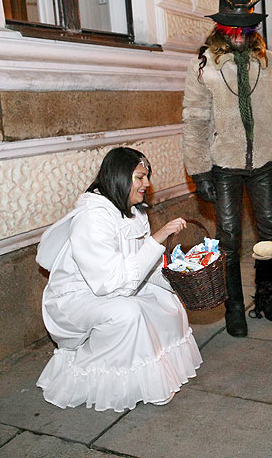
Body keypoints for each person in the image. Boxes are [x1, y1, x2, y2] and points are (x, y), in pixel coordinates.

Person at [35, 147, 202, 411]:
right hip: (79, 297)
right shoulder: (93, 217)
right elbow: (108, 283)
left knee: (167, 301)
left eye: (146, 177)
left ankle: (148, 379)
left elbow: (144, 266)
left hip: (117, 284)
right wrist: (157, 239)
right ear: (119, 177)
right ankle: (105, 381)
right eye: (139, 177)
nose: (147, 184)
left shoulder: (133, 211)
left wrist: (181, 278)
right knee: (129, 313)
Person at [182, 0, 272, 337]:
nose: (238, 33)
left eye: (245, 27)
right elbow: (195, 119)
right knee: (228, 238)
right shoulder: (203, 65)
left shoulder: (270, 62)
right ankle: (234, 307)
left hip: (265, 159)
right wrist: (199, 170)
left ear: (253, 29)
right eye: (231, 27)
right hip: (224, 162)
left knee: (271, 233)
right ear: (219, 27)